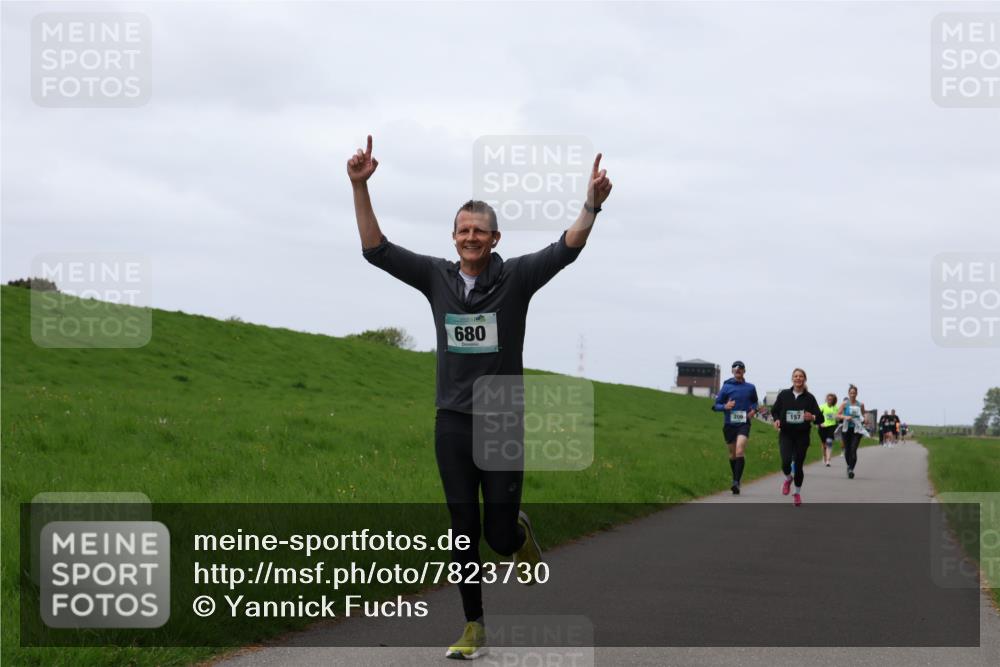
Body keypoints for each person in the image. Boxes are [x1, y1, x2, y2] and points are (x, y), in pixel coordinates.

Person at [349, 134, 612, 660]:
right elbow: (375, 249)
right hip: (451, 419)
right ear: (453, 237)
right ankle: (474, 626)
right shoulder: (435, 277)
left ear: (495, 239)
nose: (471, 237)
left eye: (480, 231)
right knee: (462, 529)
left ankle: (518, 533)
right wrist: (359, 186)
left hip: (499, 420)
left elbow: (567, 247)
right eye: (463, 230)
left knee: (495, 533)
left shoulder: (515, 278)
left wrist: (591, 206)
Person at [771, 368, 823, 506]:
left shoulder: (810, 398)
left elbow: (820, 418)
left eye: (801, 376)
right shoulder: (784, 394)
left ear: (804, 379)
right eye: (795, 376)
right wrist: (776, 420)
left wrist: (812, 417)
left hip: (802, 436)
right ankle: (788, 479)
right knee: (785, 462)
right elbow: (774, 410)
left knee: (798, 466)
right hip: (786, 434)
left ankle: (797, 493)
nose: (798, 378)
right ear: (792, 379)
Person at [712, 361, 759, 494]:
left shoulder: (750, 387)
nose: (738, 370)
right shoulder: (726, 387)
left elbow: (755, 401)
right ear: (732, 371)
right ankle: (735, 478)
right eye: (735, 368)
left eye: (741, 368)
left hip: (744, 423)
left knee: (739, 451)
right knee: (732, 455)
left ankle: (736, 482)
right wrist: (725, 406)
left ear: (744, 371)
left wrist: (753, 410)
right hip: (729, 425)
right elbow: (716, 405)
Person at [837, 384, 868, 479]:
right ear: (848, 393)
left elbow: (864, 414)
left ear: (857, 393)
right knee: (847, 450)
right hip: (846, 429)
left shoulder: (860, 404)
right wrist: (845, 417)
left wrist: (865, 419)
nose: (852, 394)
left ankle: (851, 469)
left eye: (854, 393)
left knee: (853, 449)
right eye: (851, 393)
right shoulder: (844, 404)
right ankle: (849, 466)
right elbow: (837, 415)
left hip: (857, 429)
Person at [818, 393, 838, 465]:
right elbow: (817, 416)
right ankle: (824, 456)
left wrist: (837, 417)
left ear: (833, 400)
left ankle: (828, 460)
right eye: (828, 399)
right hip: (823, 427)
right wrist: (820, 423)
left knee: (829, 442)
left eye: (831, 399)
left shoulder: (836, 408)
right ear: (826, 399)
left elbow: (838, 416)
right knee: (824, 444)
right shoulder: (822, 407)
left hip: (832, 426)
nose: (829, 400)